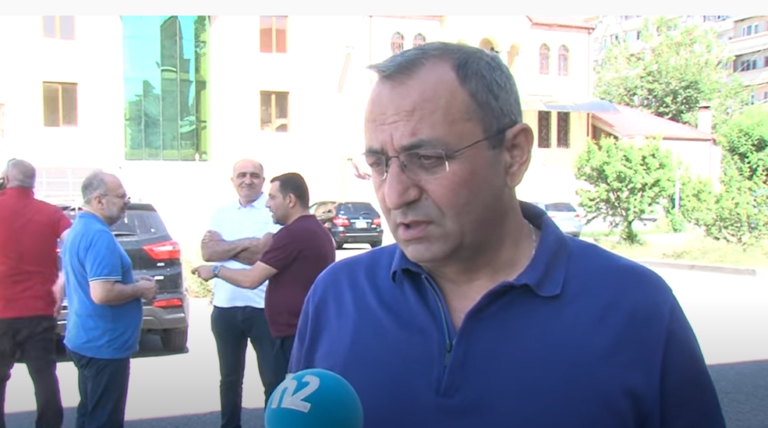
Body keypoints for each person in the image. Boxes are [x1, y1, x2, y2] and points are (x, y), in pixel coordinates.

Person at [287, 42, 726, 427]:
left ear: (514, 154)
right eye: (379, 164)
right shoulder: (336, 296)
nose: (395, 194)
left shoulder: (636, 308)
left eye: (427, 158)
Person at [193, 172, 335, 402]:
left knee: (285, 401)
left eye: (272, 197)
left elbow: (251, 279)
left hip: (292, 335)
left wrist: (216, 270)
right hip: (306, 330)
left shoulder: (292, 234)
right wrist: (254, 244)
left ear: (290, 200)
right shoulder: (316, 231)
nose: (268, 204)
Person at [61, 171, 157, 428]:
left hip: (86, 339)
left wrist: (131, 282)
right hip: (103, 345)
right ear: (99, 201)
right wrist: (140, 289)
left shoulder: (78, 228)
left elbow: (88, 280)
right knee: (104, 420)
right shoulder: (98, 235)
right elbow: (102, 293)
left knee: (89, 414)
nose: (126, 201)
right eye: (121, 196)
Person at [200, 159, 281, 428]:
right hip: (225, 308)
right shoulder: (220, 213)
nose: (248, 180)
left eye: (254, 175)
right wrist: (248, 244)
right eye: (242, 175)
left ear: (263, 180)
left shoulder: (272, 210)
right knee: (229, 380)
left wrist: (226, 247)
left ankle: (275, 424)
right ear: (232, 180)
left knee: (272, 379)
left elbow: (263, 254)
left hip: (263, 308)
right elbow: (208, 252)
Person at [0, 159, 70, 428]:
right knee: (44, 377)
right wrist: (62, 280)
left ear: (6, 179)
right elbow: (76, 244)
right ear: (33, 183)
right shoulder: (51, 213)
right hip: (39, 311)